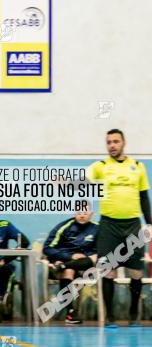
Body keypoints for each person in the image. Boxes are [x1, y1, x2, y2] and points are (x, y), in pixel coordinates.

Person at [87, 129, 152, 327]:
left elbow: (143, 197)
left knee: (136, 273)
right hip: (108, 225)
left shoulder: (138, 167)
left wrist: (149, 223)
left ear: (123, 143)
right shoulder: (100, 166)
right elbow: (85, 180)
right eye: (109, 142)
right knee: (108, 272)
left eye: (116, 141)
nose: (112, 145)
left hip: (132, 225)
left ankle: (134, 314)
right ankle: (110, 317)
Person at [42, 210, 98, 324]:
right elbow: (47, 248)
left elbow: (103, 249)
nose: (82, 215)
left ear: (91, 214)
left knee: (96, 257)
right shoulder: (64, 227)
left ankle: (63, 266)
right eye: (79, 212)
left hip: (86, 264)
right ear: (74, 214)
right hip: (66, 261)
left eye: (85, 213)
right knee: (69, 271)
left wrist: (85, 257)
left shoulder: (97, 228)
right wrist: (70, 256)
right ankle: (70, 313)